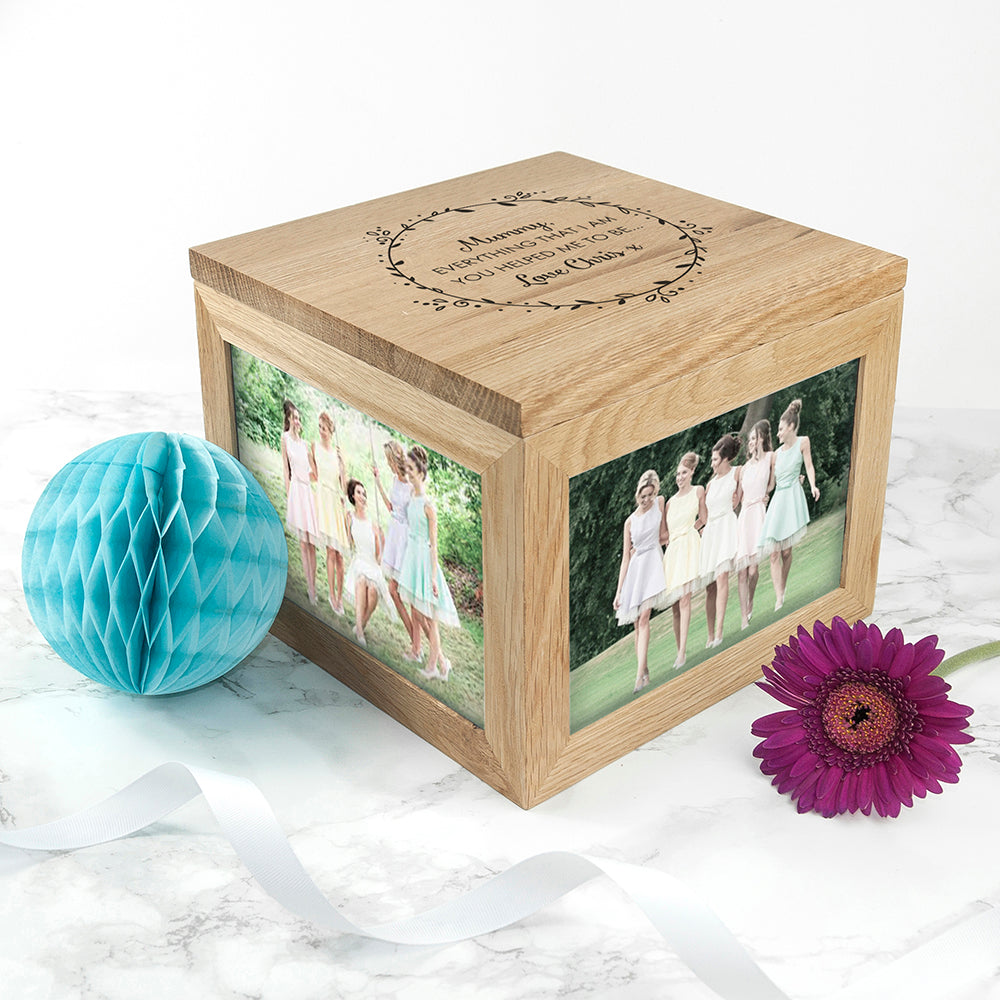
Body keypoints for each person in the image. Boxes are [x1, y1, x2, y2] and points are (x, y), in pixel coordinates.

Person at [396, 446, 460, 681]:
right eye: (407, 469)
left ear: (421, 473)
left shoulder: (428, 505)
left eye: (412, 470)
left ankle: (433, 666)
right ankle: (441, 661)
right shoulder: (412, 498)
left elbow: (434, 545)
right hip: (412, 558)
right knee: (416, 610)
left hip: (424, 561)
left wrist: (433, 576)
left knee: (430, 618)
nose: (408, 473)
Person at [759, 398, 820, 611]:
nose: (778, 434)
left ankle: (782, 588)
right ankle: (778, 598)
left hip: (792, 498)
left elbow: (809, 466)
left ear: (791, 427)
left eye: (781, 429)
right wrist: (764, 495)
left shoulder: (803, 442)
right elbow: (771, 484)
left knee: (786, 553)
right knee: (774, 553)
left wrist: (812, 485)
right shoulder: (775, 455)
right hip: (778, 502)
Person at [613, 470, 667, 694]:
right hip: (636, 570)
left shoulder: (660, 503)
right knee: (637, 624)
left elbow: (664, 534)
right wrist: (619, 592)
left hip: (653, 562)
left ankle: (638, 677)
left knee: (645, 617)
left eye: (650, 495)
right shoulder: (630, 522)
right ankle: (644, 671)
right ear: (638, 495)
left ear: (655, 493)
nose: (647, 500)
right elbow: (625, 558)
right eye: (643, 496)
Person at [373, 440, 421, 660]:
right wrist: (378, 482)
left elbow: (416, 516)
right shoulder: (394, 480)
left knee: (405, 595)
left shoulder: (411, 484)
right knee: (394, 591)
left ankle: (421, 649)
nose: (386, 463)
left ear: (393, 459)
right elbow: (391, 508)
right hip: (394, 536)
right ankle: (416, 644)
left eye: (387, 459)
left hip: (405, 541)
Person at [660, 452, 707, 669]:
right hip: (673, 553)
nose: (680, 477)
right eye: (678, 474)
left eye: (684, 473)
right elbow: (664, 534)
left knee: (685, 599)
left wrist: (691, 530)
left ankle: (682, 653)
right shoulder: (670, 502)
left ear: (692, 473)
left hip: (688, 546)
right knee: (675, 606)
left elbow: (704, 518)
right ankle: (679, 649)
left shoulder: (698, 491)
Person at [699, 434, 741, 649]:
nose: (712, 464)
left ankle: (719, 632)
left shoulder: (737, 473)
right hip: (711, 533)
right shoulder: (710, 484)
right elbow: (704, 516)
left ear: (725, 459)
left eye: (715, 459)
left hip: (726, 527)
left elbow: (742, 496)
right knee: (710, 587)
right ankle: (709, 634)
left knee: (722, 576)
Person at [344, 478, 397, 647]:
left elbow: (379, 557)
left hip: (372, 565)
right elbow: (348, 542)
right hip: (359, 560)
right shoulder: (349, 517)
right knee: (361, 580)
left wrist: (382, 539)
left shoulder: (373, 525)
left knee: (373, 590)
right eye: (359, 493)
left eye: (364, 493)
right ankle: (360, 631)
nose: (362, 496)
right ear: (353, 496)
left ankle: (362, 623)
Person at [280, 400, 319, 605]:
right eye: (294, 417)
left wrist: (313, 454)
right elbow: (285, 469)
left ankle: (314, 584)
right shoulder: (285, 438)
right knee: (303, 543)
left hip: (307, 491)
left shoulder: (304, 445)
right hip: (296, 491)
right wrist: (289, 496)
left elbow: (315, 475)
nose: (296, 420)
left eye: (298, 418)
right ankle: (310, 589)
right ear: (288, 418)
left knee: (311, 543)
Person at [734, 419, 772, 629]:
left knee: (752, 571)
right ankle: (742, 617)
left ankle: (750, 600)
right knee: (742, 571)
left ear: (761, 440)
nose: (751, 442)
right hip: (745, 518)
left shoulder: (768, 460)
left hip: (758, 514)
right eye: (749, 439)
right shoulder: (743, 469)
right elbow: (737, 499)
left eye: (754, 438)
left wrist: (767, 495)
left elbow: (773, 482)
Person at [312, 411, 350, 615]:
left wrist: (343, 466)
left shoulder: (337, 453)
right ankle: (332, 595)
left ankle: (340, 597)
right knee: (330, 551)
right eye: (319, 427)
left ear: (331, 431)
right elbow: (314, 474)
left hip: (335, 502)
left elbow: (344, 486)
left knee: (340, 555)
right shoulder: (315, 447)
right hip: (324, 501)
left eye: (324, 428)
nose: (321, 431)